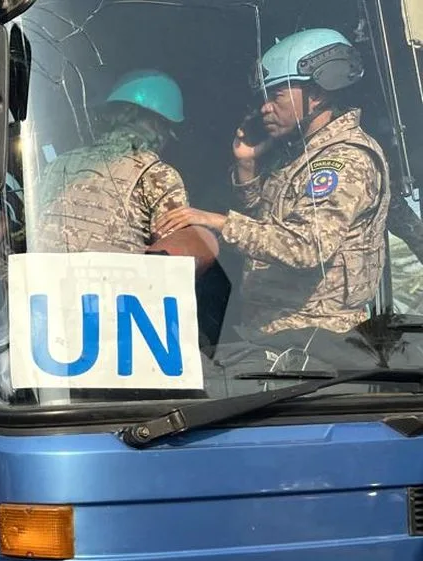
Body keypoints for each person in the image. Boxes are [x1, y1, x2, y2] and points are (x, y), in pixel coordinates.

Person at [155, 28, 389, 335]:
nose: (265, 107)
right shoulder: (300, 155)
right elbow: (265, 228)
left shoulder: (345, 160)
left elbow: (306, 246)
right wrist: (247, 166)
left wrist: (217, 222)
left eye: (276, 95)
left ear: (316, 95)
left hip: (317, 336)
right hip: (275, 331)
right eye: (263, 98)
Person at [33, 69, 190, 254]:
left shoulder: (58, 164)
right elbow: (175, 255)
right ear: (158, 125)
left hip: (42, 273)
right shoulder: (158, 176)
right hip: (110, 275)